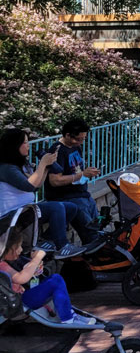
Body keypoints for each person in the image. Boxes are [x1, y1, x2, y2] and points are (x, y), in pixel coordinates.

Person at [0, 129, 86, 258]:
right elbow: (28, 185)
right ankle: (61, 246)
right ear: (14, 145)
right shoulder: (6, 168)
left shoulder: (20, 164)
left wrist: (46, 167)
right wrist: (43, 164)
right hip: (11, 216)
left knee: (71, 207)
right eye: (25, 143)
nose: (28, 146)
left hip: (26, 210)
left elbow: (37, 186)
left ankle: (46, 241)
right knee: (56, 208)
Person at [0, 228, 94, 326]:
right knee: (55, 281)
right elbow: (21, 278)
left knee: (54, 279)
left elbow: (19, 276)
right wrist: (37, 258)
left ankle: (68, 313)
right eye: (18, 247)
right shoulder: (1, 265)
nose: (21, 250)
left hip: (20, 298)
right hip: (18, 303)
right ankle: (68, 319)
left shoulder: (5, 262)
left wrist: (33, 267)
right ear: (6, 249)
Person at [43, 118, 102, 245]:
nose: (80, 142)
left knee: (98, 228)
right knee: (90, 233)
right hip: (68, 198)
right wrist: (82, 174)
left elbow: (76, 171)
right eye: (77, 139)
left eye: (83, 139)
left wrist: (86, 174)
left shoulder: (76, 147)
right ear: (67, 135)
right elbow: (55, 181)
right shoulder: (57, 151)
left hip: (82, 194)